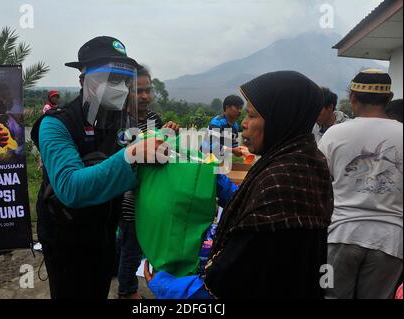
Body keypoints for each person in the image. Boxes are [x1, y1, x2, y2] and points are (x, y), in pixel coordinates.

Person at [145, 71, 334, 299]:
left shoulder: (278, 182)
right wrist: (208, 176)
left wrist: (166, 286)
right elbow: (245, 200)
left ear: (280, 118)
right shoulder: (306, 163)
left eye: (252, 116)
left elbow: (229, 281)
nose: (244, 124)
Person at [30, 36, 165, 299]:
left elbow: (138, 171)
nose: (120, 87)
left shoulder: (123, 121)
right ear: (84, 80)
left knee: (99, 289)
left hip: (104, 233)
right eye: (110, 79)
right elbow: (70, 187)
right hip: (65, 237)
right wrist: (130, 156)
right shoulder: (56, 124)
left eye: (125, 80)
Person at [319, 69, 403, 299]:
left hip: (339, 236)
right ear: (389, 98)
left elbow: (318, 186)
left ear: (352, 98)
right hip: (391, 243)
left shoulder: (333, 134)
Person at [117, 66, 178, 299]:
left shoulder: (153, 118)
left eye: (148, 90)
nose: (145, 96)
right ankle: (127, 291)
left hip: (151, 192)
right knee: (132, 246)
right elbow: (124, 156)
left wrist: (170, 133)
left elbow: (163, 151)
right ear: (126, 92)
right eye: (138, 91)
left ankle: (124, 276)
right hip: (130, 195)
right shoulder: (121, 121)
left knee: (135, 243)